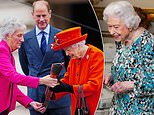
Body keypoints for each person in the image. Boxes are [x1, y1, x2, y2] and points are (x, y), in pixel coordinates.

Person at [18, 0, 71, 115]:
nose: (41, 19)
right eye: (38, 16)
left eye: (44, 15)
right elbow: (25, 67)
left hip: (59, 97)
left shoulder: (61, 36)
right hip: (36, 97)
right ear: (32, 15)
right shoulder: (25, 39)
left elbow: (69, 64)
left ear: (50, 14)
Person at [103, 1, 154, 114]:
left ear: (130, 24)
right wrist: (112, 76)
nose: (111, 31)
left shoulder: (148, 44)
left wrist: (130, 85)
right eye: (109, 26)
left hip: (139, 110)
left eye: (116, 27)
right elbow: (127, 67)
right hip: (119, 107)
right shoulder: (122, 40)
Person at [0, 17, 57, 115]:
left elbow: (10, 85)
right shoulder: (2, 50)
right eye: (19, 35)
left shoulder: (7, 51)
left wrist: (30, 102)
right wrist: (41, 80)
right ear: (8, 35)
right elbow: (14, 77)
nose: (22, 40)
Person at [51, 26, 104, 115]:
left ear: (78, 45)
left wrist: (70, 88)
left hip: (91, 107)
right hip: (77, 108)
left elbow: (94, 85)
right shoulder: (74, 58)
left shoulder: (97, 55)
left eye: (68, 50)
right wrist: (54, 91)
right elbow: (67, 80)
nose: (67, 54)